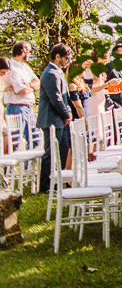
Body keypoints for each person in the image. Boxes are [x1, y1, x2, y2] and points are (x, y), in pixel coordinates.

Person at [37, 43, 74, 194]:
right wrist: (66, 114)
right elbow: (56, 99)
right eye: (67, 57)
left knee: (63, 149)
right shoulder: (50, 73)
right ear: (57, 56)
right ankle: (45, 186)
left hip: (60, 119)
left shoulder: (57, 72)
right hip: (52, 119)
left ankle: (57, 181)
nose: (69, 61)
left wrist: (68, 113)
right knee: (51, 153)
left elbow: (65, 98)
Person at [4, 43, 38, 140]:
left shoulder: (25, 67)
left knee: (34, 139)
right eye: (29, 51)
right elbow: (22, 90)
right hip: (16, 108)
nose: (30, 54)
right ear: (23, 51)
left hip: (29, 108)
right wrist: (28, 87)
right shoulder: (11, 68)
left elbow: (38, 83)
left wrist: (30, 85)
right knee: (14, 141)